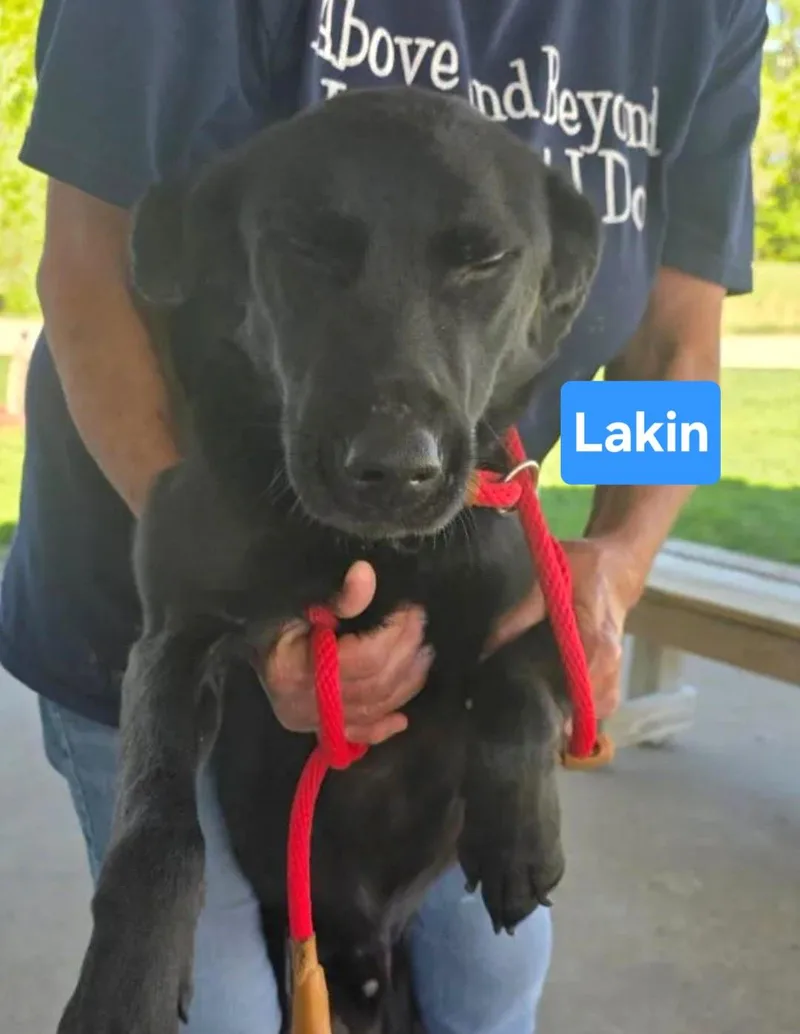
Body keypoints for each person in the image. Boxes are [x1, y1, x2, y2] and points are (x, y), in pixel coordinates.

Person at [2, 1, 767, 1032]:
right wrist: (233, 587)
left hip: (452, 575)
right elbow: (90, 277)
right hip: (165, 571)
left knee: (487, 985)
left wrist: (615, 559)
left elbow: (671, 342)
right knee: (220, 1006)